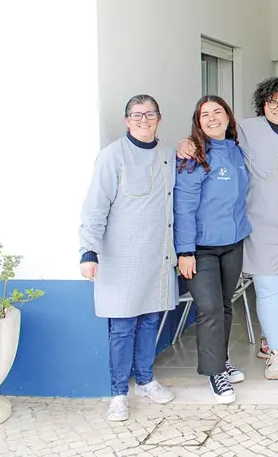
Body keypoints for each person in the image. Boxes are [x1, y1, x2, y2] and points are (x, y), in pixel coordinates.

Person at [178, 77, 278, 381]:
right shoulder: (244, 130)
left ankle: (270, 342)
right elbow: (209, 136)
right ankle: (277, 355)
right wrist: (185, 143)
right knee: (268, 287)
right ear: (263, 104)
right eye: (273, 102)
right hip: (262, 225)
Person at [79, 94, 177, 422]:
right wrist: (88, 251)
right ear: (127, 120)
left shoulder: (168, 154)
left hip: (157, 255)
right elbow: (96, 205)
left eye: (150, 114)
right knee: (122, 326)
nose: (144, 120)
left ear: (159, 119)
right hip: (121, 257)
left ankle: (146, 380)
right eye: (137, 115)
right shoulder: (112, 156)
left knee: (150, 320)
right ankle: (118, 392)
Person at [173, 96, 251, 403]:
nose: (213, 118)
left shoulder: (235, 151)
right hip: (200, 249)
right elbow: (184, 206)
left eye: (218, 112)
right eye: (205, 114)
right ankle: (214, 371)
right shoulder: (193, 155)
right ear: (198, 121)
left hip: (232, 243)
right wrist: (185, 251)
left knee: (225, 304)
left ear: (229, 118)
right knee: (210, 309)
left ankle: (222, 358)